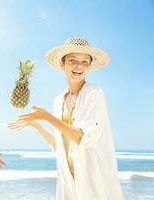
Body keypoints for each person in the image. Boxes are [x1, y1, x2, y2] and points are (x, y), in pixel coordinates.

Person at [8, 37, 124, 200]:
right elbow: (60, 145)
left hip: (92, 182)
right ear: (63, 64)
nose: (79, 66)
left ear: (89, 66)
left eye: (85, 61)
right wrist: (37, 125)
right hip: (69, 184)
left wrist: (47, 117)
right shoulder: (59, 100)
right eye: (72, 60)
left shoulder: (94, 93)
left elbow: (83, 137)